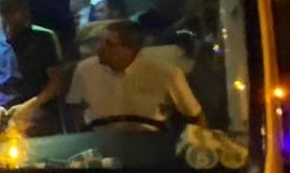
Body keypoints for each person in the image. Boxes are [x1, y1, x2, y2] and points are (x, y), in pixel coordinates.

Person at [65, 22, 205, 129]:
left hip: (150, 141)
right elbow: (74, 107)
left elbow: (194, 115)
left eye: (109, 44)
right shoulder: (84, 69)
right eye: (100, 42)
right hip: (99, 141)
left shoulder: (167, 74)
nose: (100, 49)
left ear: (130, 50)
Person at [0, 0, 64, 136]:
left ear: (26, 16)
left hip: (38, 116)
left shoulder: (43, 38)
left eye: (14, 19)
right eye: (5, 18)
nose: (9, 27)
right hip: (1, 116)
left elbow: (57, 81)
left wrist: (30, 106)